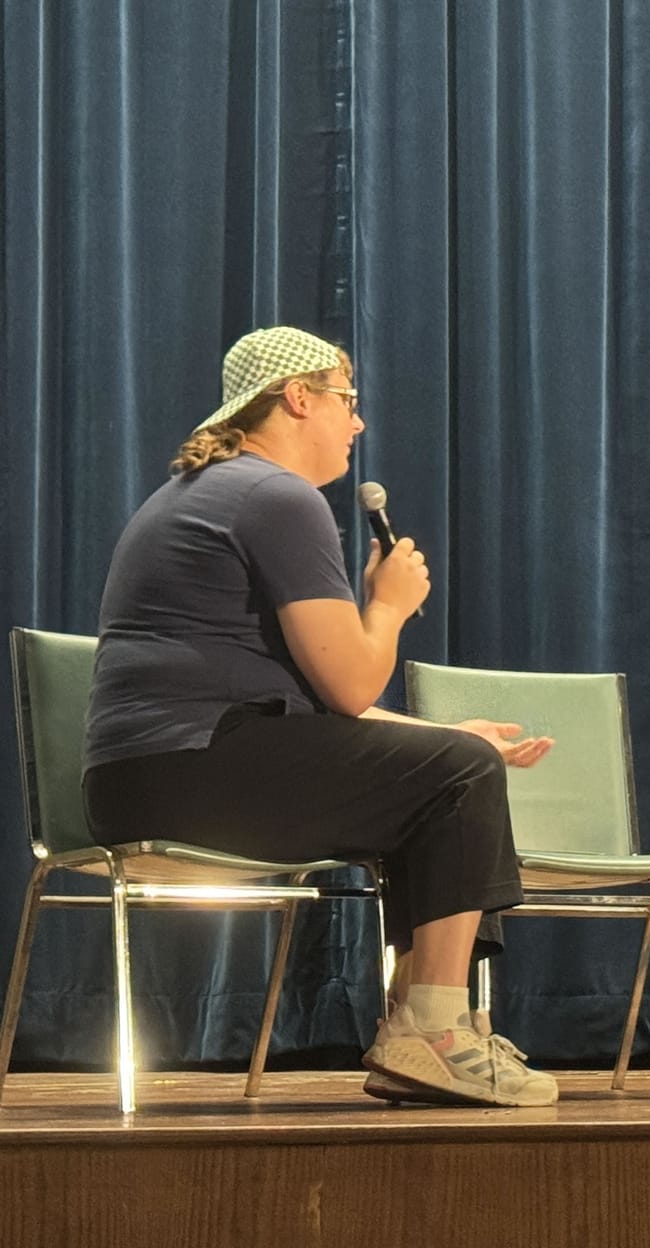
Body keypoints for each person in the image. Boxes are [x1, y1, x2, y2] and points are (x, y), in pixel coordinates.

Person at [83, 326, 560, 1107]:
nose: (358, 422)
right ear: (298, 399)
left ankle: (425, 1029)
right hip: (190, 768)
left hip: (154, 774)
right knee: (456, 778)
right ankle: (434, 1033)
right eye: (348, 400)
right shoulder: (277, 497)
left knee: (449, 774)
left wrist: (444, 736)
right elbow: (347, 690)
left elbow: (323, 711)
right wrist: (390, 605)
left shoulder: (216, 490)